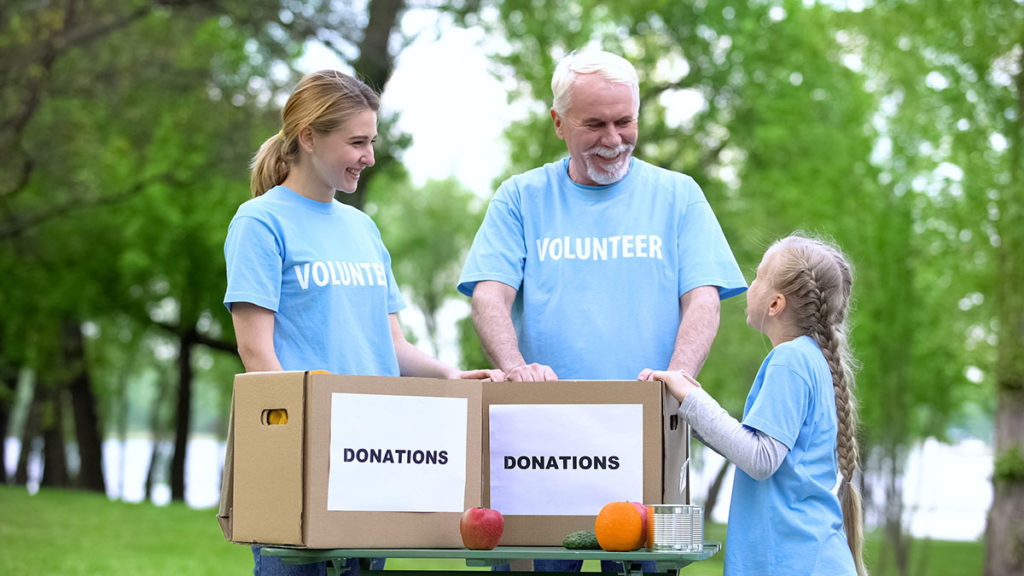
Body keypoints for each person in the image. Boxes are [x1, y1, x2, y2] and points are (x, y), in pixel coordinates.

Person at [457, 50, 747, 572]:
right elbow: (488, 296)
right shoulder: (519, 198)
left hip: (655, 432)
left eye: (625, 121)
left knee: (655, 567)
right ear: (558, 123)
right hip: (538, 441)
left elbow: (703, 299)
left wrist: (678, 380)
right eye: (595, 124)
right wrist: (516, 368)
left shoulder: (680, 195)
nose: (614, 140)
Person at [224, 69, 503, 576]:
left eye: (371, 141)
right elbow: (256, 353)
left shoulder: (363, 228)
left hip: (373, 456)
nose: (368, 157)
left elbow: (389, 342)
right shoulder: (259, 222)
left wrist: (447, 376)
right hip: (302, 462)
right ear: (309, 138)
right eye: (357, 142)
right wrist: (302, 444)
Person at [642, 233, 868, 576]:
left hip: (794, 563)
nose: (750, 284)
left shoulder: (789, 360)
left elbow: (761, 459)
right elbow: (755, 448)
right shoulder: (812, 359)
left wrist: (691, 398)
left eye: (759, 276)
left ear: (775, 304)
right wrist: (688, 406)